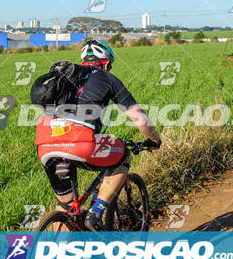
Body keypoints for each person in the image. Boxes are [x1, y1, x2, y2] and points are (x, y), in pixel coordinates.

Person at [35, 40, 161, 231]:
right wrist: (155, 139)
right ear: (105, 62)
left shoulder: (64, 78)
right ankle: (96, 213)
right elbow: (139, 117)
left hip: (45, 145)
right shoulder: (106, 78)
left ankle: (58, 257)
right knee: (122, 156)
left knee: (66, 205)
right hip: (80, 143)